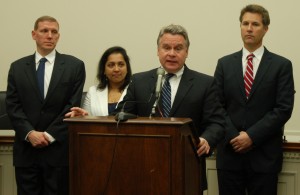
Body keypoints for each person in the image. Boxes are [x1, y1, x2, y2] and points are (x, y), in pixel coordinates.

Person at [115, 24, 225, 191]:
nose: (172, 53)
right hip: (143, 167)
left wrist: (206, 139)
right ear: (158, 50)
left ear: (187, 52)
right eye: (166, 47)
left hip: (187, 168)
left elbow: (217, 122)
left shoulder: (205, 84)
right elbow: (121, 115)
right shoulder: (139, 81)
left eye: (178, 48)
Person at [214, 4, 295, 195]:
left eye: (255, 24)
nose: (249, 28)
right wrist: (234, 136)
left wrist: (251, 137)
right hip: (229, 156)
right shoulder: (224, 64)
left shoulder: (281, 65)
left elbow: (283, 109)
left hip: (264, 158)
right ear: (240, 27)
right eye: (245, 23)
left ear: (265, 29)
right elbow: (216, 106)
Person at [6, 16, 86, 195]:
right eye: (44, 31)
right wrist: (30, 133)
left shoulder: (74, 66)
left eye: (54, 32)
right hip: (27, 152)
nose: (49, 36)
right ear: (34, 35)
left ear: (58, 36)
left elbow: (72, 106)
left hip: (57, 152)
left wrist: (49, 136)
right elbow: (12, 105)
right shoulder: (17, 67)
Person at [65, 46, 132, 117]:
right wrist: (82, 116)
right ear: (104, 70)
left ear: (127, 68)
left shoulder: (136, 91)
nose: (116, 69)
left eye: (121, 64)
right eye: (111, 65)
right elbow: (87, 119)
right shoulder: (93, 92)